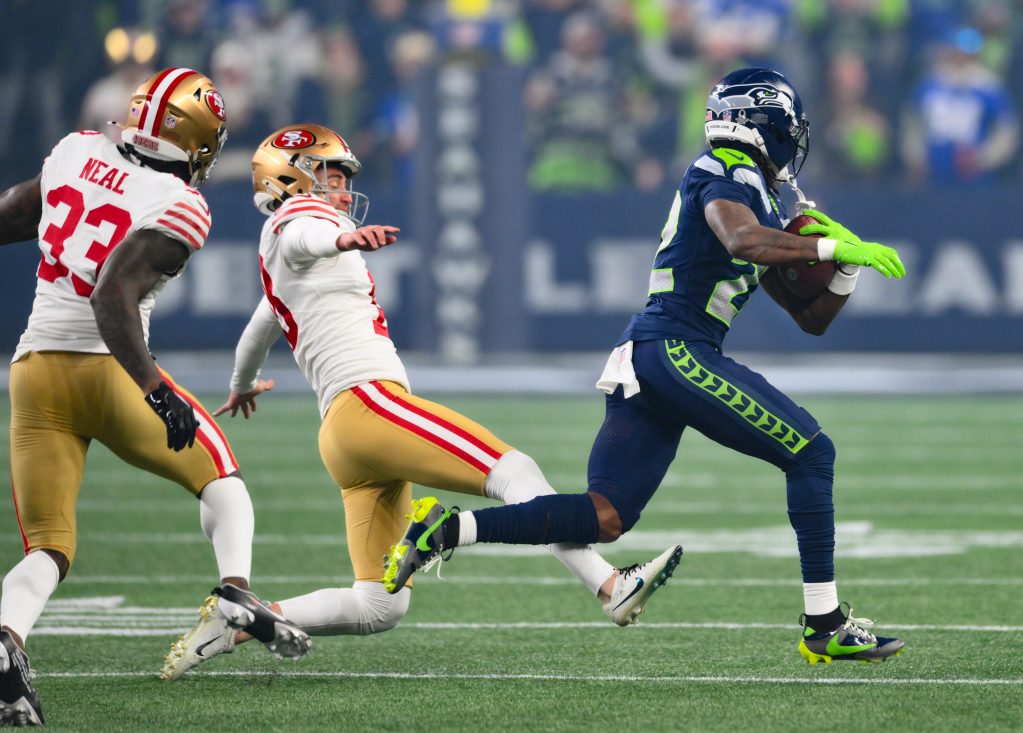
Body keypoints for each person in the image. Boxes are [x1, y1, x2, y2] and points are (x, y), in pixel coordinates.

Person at [387, 67, 909, 665]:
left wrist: (844, 268)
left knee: (604, 517)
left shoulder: (753, 191)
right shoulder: (725, 168)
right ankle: (825, 624)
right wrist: (828, 247)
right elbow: (742, 241)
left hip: (654, 356)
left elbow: (809, 317)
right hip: (675, 349)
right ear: (763, 123)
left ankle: (446, 531)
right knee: (812, 453)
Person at [158, 123, 681, 680]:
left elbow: (259, 327)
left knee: (379, 605)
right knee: (514, 470)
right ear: (293, 180)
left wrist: (242, 383)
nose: (340, 190)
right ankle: (608, 584)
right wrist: (339, 239)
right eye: (329, 175)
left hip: (344, 435)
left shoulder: (284, 262)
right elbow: (299, 235)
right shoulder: (300, 224)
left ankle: (241, 620)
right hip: (370, 405)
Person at [0, 67, 311, 725]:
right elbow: (110, 294)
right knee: (220, 477)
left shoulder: (75, 149)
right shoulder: (181, 203)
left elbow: (11, 216)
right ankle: (235, 593)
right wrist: (154, 388)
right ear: (198, 142)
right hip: (109, 372)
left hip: (32, 372)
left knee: (48, 546)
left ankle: (6, 640)